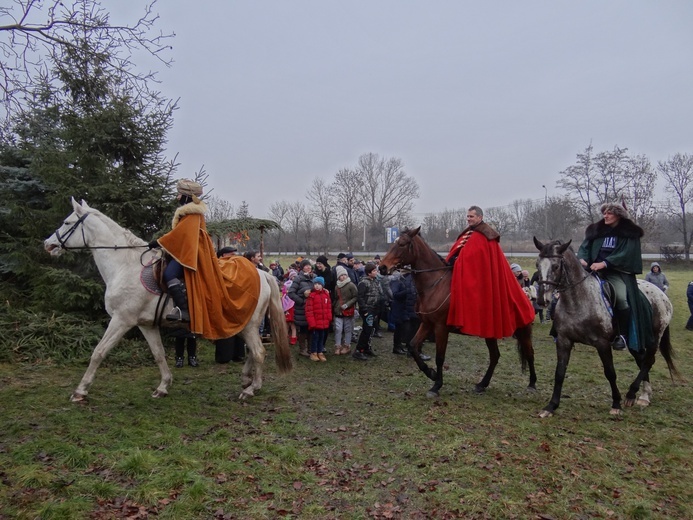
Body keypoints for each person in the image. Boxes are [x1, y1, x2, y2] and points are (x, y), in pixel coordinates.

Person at [445, 206, 535, 339]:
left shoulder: (484, 234)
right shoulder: (468, 233)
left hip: (481, 279)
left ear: (479, 217)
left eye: (471, 216)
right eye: (468, 216)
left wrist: (460, 262)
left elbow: (473, 259)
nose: (468, 219)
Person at [577, 202, 650, 351]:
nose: (605, 215)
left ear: (618, 215)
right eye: (604, 213)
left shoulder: (629, 233)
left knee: (621, 298)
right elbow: (585, 247)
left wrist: (604, 263)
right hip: (592, 270)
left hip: (615, 272)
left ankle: (622, 335)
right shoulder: (596, 230)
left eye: (609, 213)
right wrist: (582, 258)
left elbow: (625, 254)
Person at [354, 263, 383, 360]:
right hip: (367, 309)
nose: (376, 272)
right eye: (374, 271)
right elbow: (360, 297)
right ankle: (359, 350)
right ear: (369, 272)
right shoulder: (363, 283)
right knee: (367, 329)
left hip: (375, 309)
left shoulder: (376, 281)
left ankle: (366, 347)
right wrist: (364, 310)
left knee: (371, 330)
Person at [288, 259, 315, 357]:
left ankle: (311, 348)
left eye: (309, 266)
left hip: (312, 309)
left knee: (311, 328)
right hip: (302, 309)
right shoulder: (298, 278)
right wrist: (302, 301)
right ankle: (303, 349)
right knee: (303, 329)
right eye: (306, 266)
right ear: (302, 267)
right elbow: (291, 293)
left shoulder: (314, 277)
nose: (308, 267)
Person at [332, 265, 358, 355]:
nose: (343, 277)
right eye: (341, 275)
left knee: (348, 328)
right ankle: (338, 346)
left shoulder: (351, 285)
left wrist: (348, 304)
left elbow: (355, 296)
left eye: (344, 275)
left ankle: (347, 345)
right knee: (338, 329)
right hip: (338, 310)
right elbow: (336, 298)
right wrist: (333, 307)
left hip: (348, 310)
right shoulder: (337, 286)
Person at [305, 276, 332, 361]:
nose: (317, 286)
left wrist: (329, 317)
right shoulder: (311, 296)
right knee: (315, 338)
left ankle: (320, 352)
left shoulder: (326, 295)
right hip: (315, 322)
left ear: (322, 285)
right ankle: (313, 352)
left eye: (319, 284)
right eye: (315, 284)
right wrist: (311, 322)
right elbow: (309, 310)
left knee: (322, 337)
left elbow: (329, 307)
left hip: (324, 321)